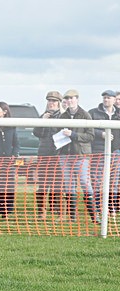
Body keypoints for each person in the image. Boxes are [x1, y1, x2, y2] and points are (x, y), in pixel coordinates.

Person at [57, 89, 97, 223]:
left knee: (85, 183)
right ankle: (72, 217)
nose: (69, 101)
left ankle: (94, 216)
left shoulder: (85, 115)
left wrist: (73, 135)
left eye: (71, 98)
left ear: (77, 99)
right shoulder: (62, 117)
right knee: (69, 185)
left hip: (81, 155)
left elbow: (90, 136)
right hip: (65, 155)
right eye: (67, 98)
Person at [88, 89, 120, 215]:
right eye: (104, 98)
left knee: (114, 181)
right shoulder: (93, 113)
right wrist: (100, 134)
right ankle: (98, 207)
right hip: (99, 151)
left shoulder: (118, 114)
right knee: (97, 180)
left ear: (114, 99)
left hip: (116, 151)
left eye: (108, 98)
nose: (106, 100)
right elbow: (88, 129)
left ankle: (111, 206)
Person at [33, 91, 63, 219]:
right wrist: (42, 121)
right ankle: (42, 211)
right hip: (44, 154)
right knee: (43, 184)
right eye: (49, 101)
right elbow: (36, 133)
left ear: (59, 103)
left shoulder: (63, 117)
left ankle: (58, 209)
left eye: (54, 101)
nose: (51, 103)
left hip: (58, 154)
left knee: (58, 184)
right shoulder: (42, 116)